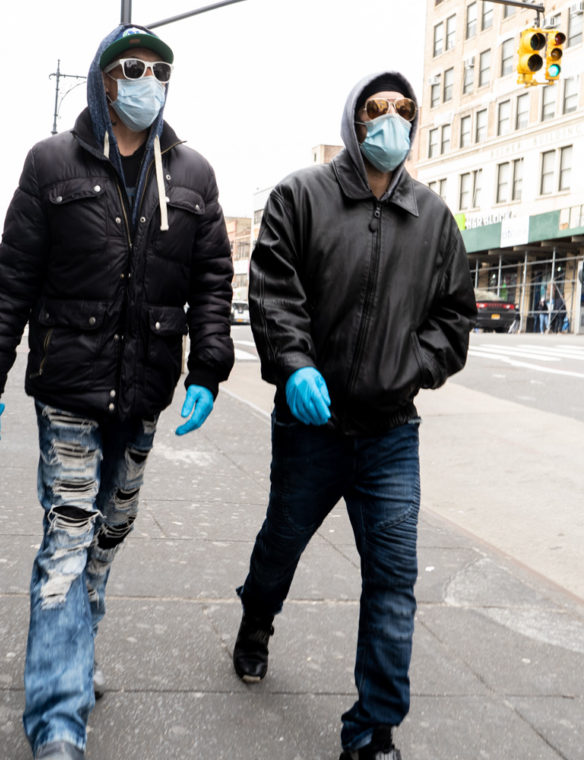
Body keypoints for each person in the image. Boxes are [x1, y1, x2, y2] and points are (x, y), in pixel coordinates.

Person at [0, 24, 234, 760]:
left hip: (144, 387)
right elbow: (14, 276)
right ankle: (56, 716)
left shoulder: (193, 175)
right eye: (134, 66)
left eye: (161, 68)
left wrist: (209, 367)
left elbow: (212, 282)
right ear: (104, 78)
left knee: (110, 533)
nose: (150, 78)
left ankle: (75, 648)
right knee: (70, 537)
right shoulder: (52, 162)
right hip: (69, 388)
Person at [232, 72, 476, 760]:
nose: (392, 122)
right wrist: (296, 362)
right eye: (378, 109)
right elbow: (273, 290)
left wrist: (412, 368)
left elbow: (454, 318)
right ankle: (256, 621)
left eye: (405, 111)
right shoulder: (300, 196)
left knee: (395, 580)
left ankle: (373, 731)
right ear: (353, 120)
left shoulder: (432, 220)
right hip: (311, 427)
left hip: (391, 435)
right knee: (281, 545)